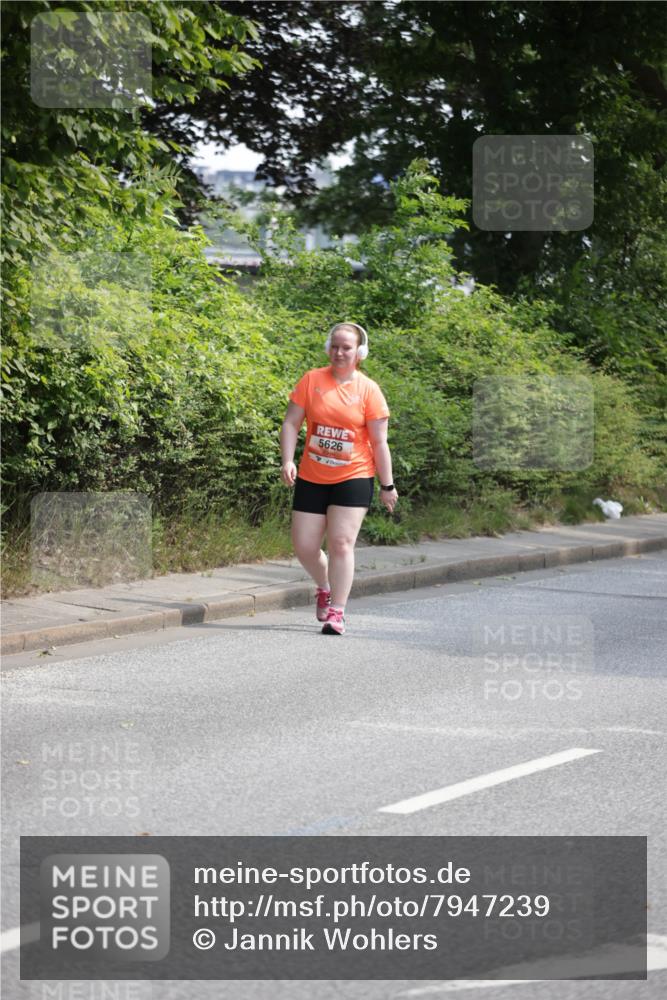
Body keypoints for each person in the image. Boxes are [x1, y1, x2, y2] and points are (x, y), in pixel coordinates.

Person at [280, 322, 399, 635]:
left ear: (359, 352)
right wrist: (288, 460)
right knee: (304, 546)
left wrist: (387, 486)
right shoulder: (311, 380)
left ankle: (337, 612)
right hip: (312, 475)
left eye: (346, 347)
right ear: (327, 348)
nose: (339, 352)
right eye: (334, 346)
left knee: (341, 543)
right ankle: (324, 586)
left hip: (354, 476)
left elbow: (379, 442)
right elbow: (292, 423)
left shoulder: (369, 390)